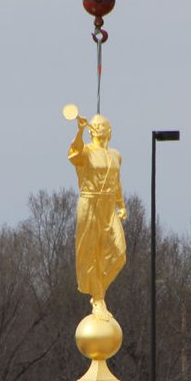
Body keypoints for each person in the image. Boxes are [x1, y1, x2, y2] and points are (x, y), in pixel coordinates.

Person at [68, 113, 127, 321]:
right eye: (96, 125)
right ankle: (98, 297)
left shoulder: (115, 155)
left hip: (108, 205)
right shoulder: (86, 151)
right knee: (90, 252)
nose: (100, 127)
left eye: (103, 124)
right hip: (90, 202)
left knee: (119, 253)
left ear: (109, 130)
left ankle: (99, 288)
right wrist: (80, 131)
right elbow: (74, 155)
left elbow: (116, 180)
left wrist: (120, 204)